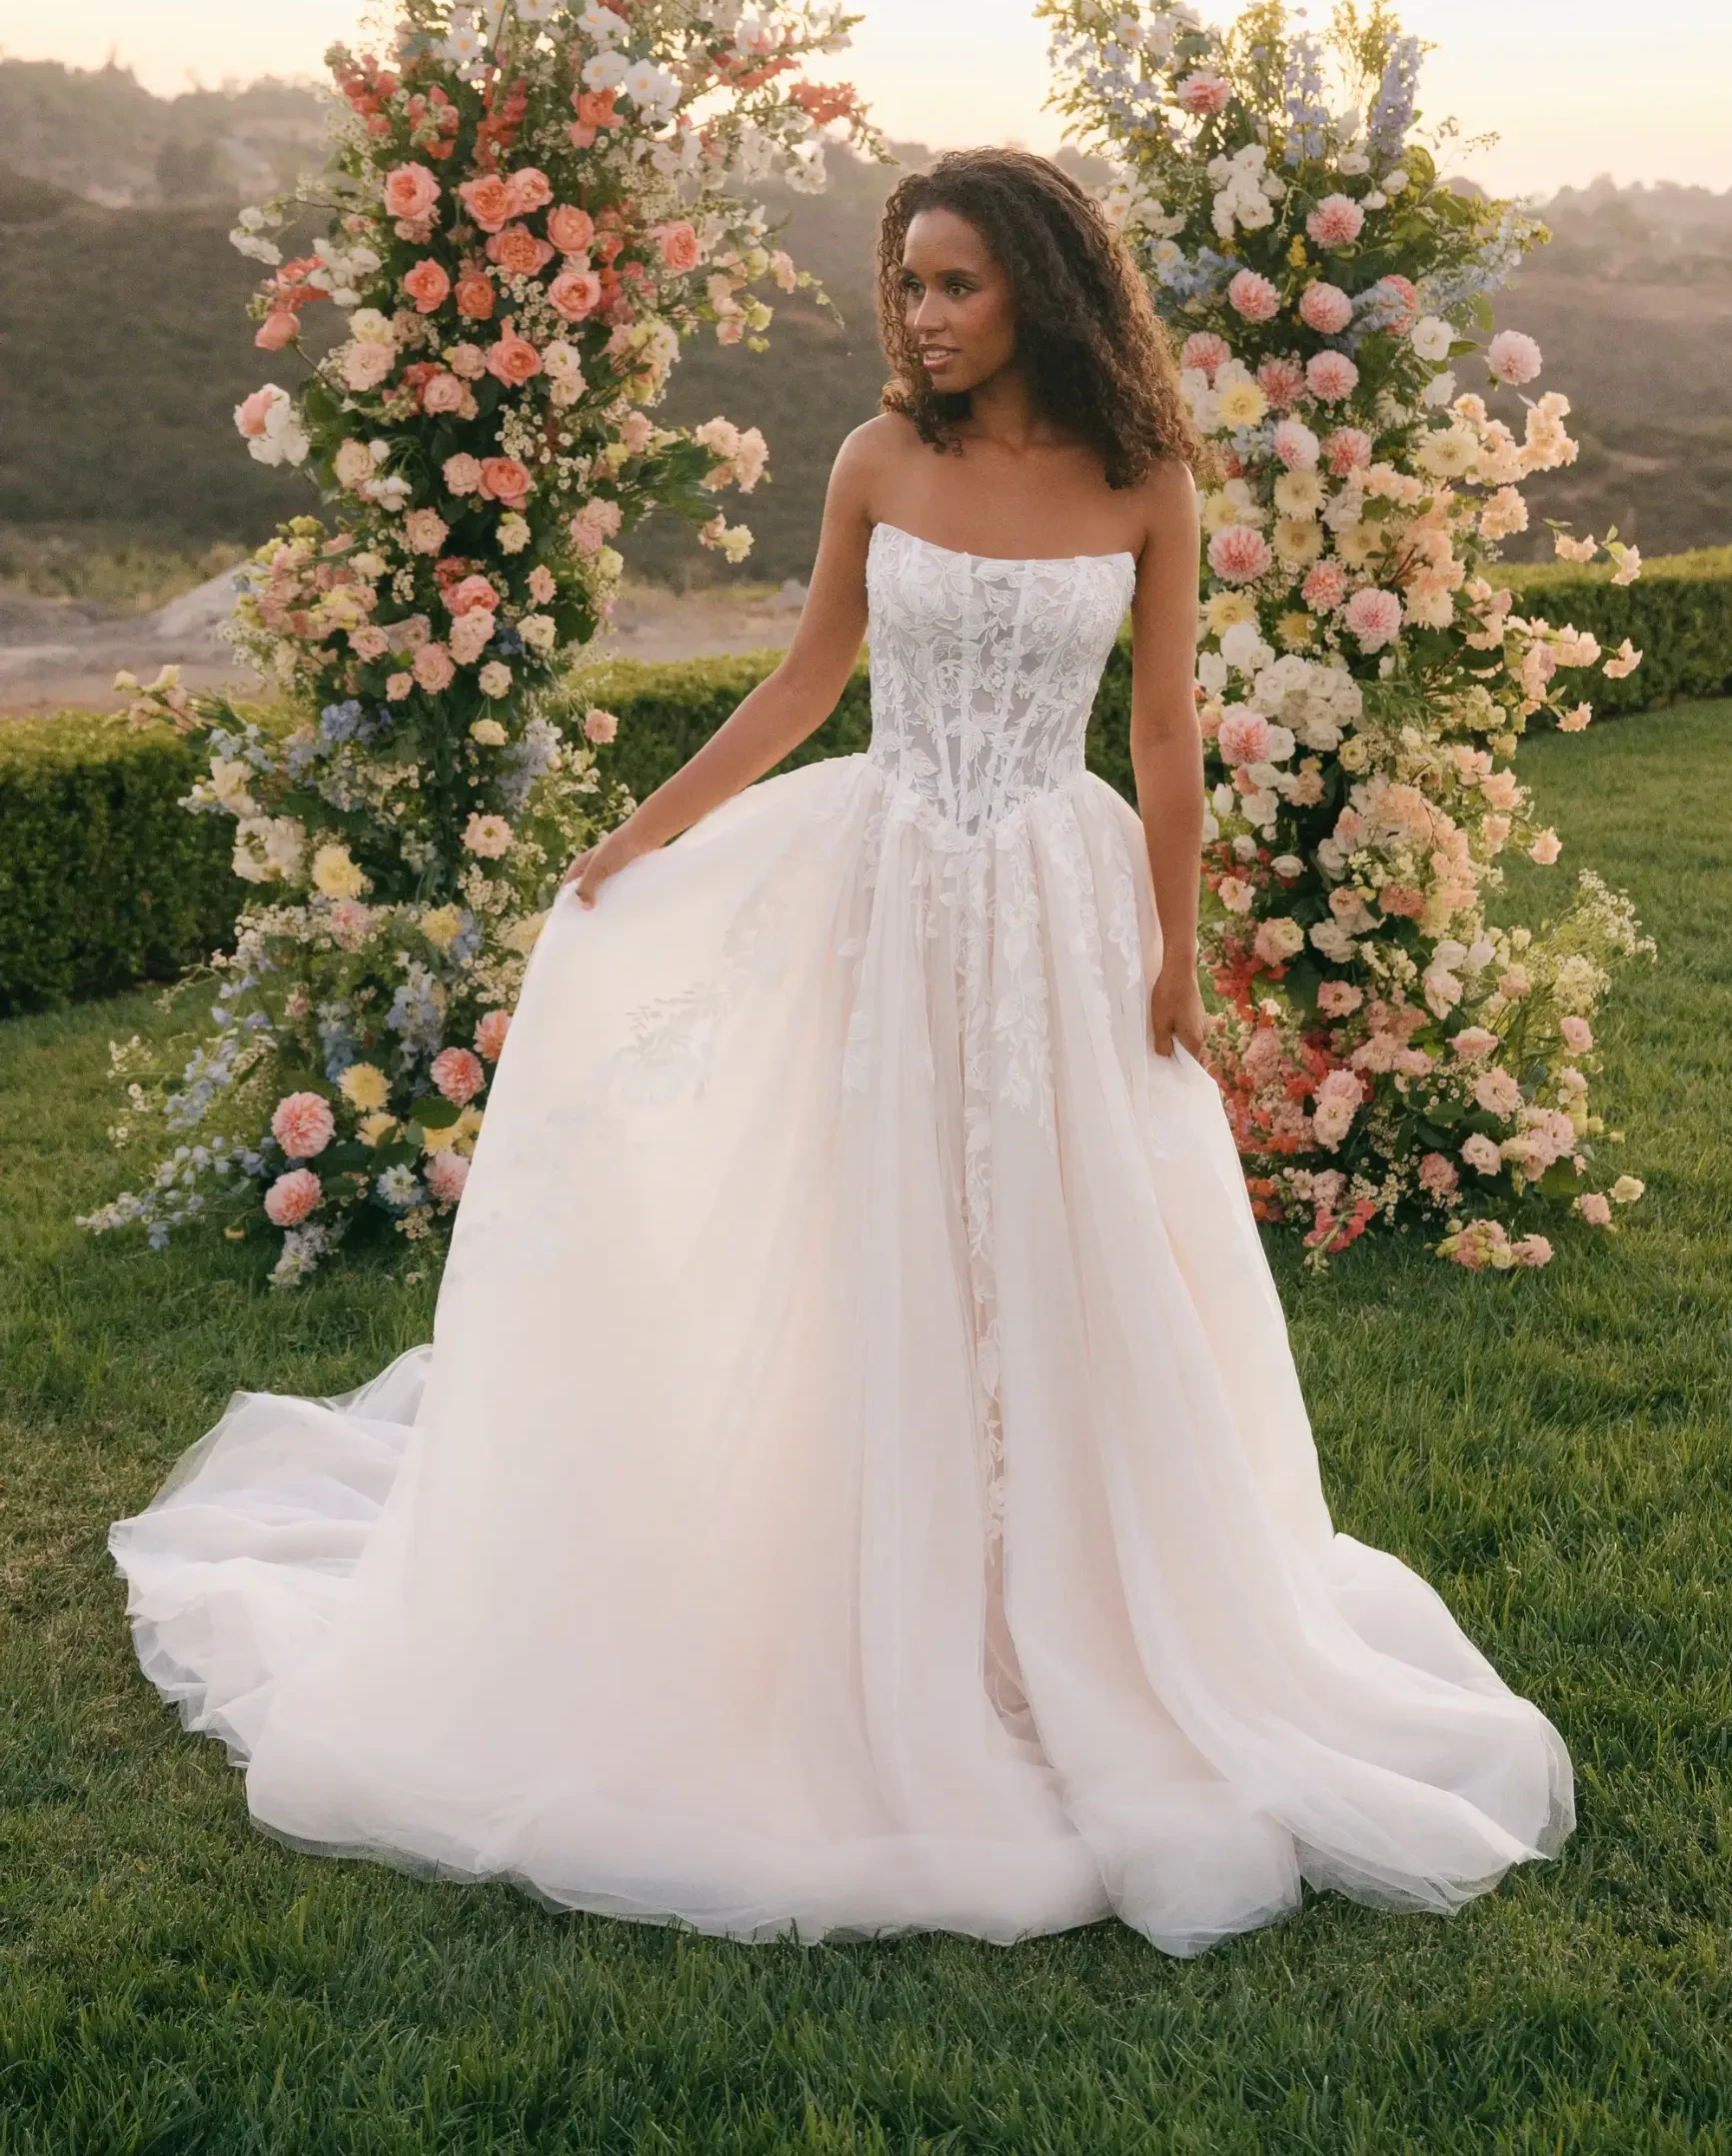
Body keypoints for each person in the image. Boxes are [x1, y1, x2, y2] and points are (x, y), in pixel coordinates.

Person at [109, 149, 1572, 1957]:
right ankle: (869, 1590)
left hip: (1056, 897)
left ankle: (1072, 1607)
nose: (926, 316)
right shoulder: (879, 461)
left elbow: (1168, 722)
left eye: (956, 284)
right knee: (873, 1228)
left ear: (1036, 283)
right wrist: (639, 833)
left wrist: (1181, 948)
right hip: (887, 888)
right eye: (909, 286)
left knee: (1059, 1244)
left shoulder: (1147, 477)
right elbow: (807, 681)